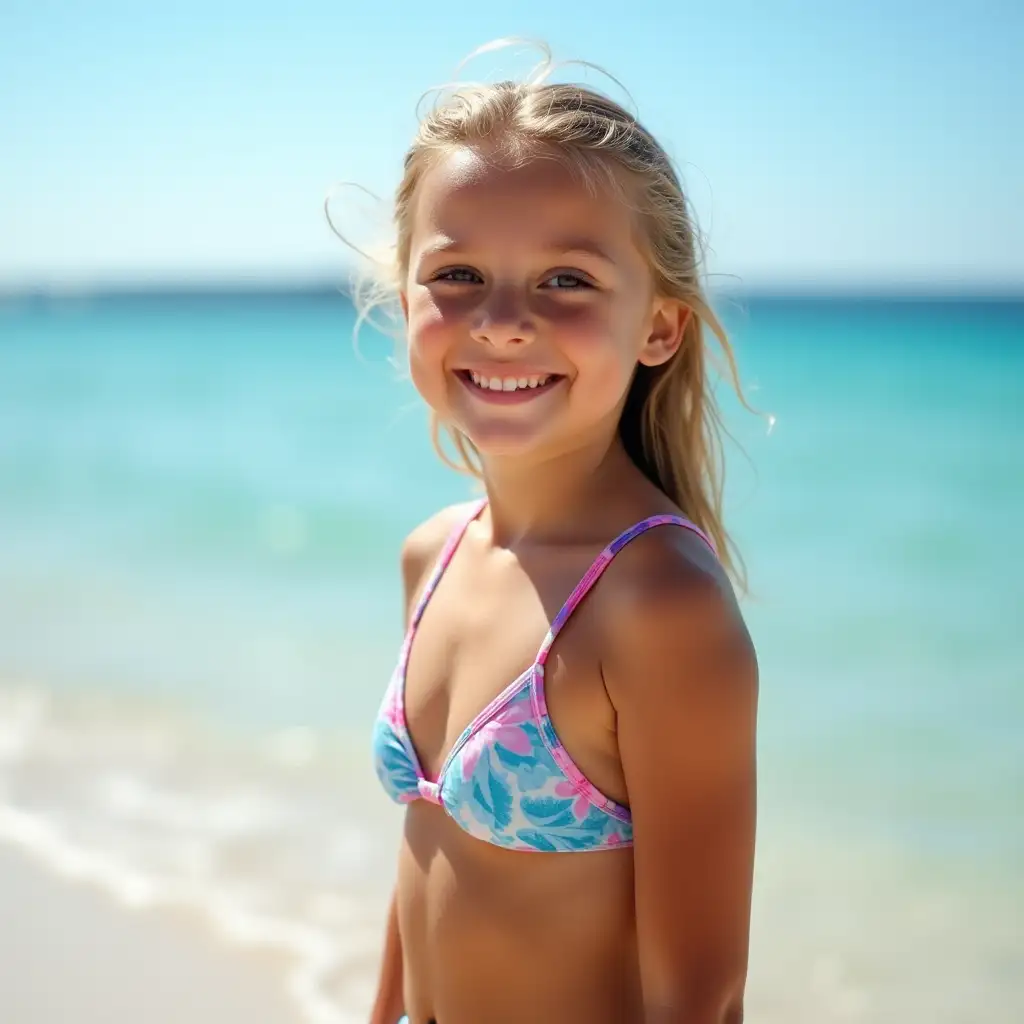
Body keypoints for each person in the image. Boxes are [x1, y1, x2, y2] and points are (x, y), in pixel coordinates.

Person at [356, 43, 759, 1024]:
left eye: (566, 281)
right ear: (407, 297)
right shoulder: (434, 553)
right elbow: (426, 855)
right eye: (455, 273)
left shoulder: (658, 604)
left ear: (659, 327)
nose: (500, 321)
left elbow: (701, 995)